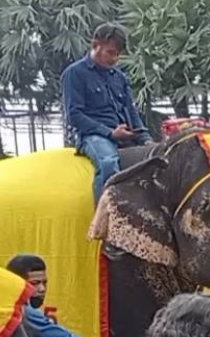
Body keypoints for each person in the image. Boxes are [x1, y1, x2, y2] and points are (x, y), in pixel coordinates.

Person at [61, 23, 152, 203]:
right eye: (111, 52)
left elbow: (131, 111)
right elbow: (74, 115)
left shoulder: (119, 77)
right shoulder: (74, 74)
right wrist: (109, 133)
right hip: (94, 136)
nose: (115, 58)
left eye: (118, 54)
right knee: (108, 163)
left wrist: (146, 138)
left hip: (125, 134)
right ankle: (105, 221)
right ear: (96, 45)